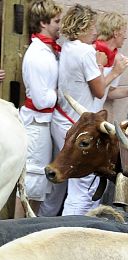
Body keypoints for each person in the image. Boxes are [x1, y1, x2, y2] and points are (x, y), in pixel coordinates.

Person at [49, 4, 128, 217]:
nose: (96, 31)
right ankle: (69, 232)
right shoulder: (85, 52)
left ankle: (44, 222)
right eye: (93, 26)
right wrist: (116, 71)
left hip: (62, 118)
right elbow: (98, 90)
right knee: (81, 190)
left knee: (58, 184)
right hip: (79, 126)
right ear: (83, 27)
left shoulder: (68, 45)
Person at [19, 0, 62, 216]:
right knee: (31, 184)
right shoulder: (37, 55)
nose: (60, 26)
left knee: (37, 187)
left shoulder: (48, 51)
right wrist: (60, 92)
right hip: (36, 124)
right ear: (43, 23)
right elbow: (41, 100)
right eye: (56, 21)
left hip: (44, 124)